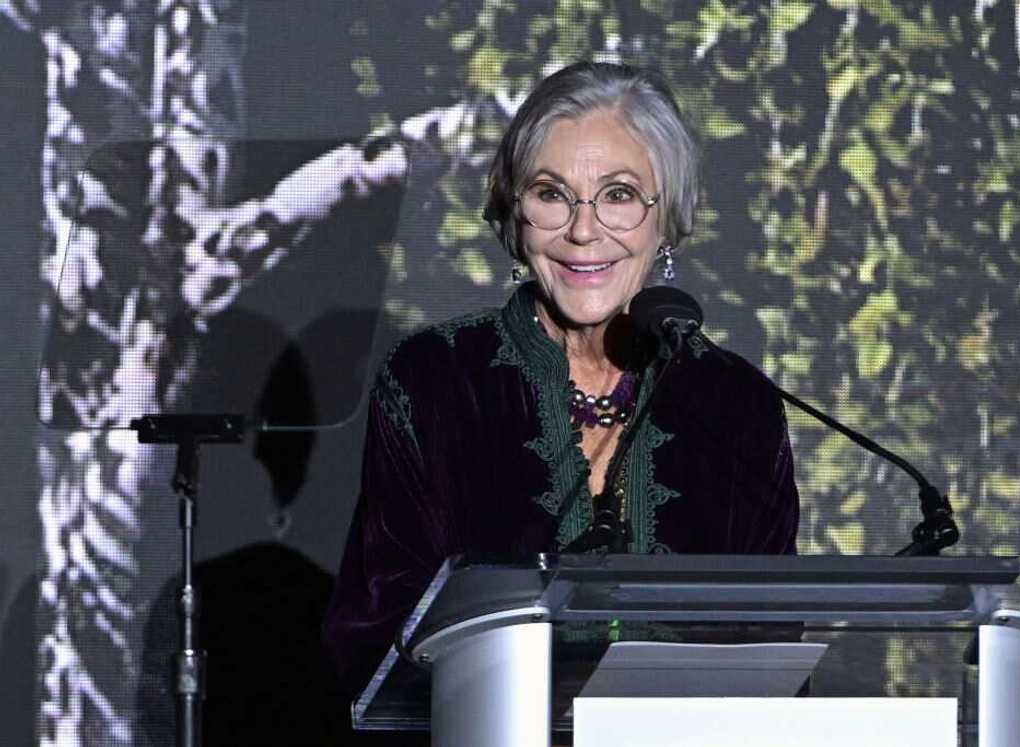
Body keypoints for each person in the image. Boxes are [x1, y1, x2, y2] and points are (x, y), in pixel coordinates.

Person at [322, 61, 799, 700]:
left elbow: (771, 650)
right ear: (514, 216)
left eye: (619, 195)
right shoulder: (434, 384)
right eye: (551, 193)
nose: (582, 229)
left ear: (666, 219)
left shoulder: (735, 405)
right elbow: (376, 636)